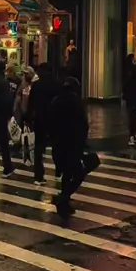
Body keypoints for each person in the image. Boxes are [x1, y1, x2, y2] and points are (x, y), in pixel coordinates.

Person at [50, 77, 89, 218]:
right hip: (72, 144)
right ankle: (64, 198)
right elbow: (83, 124)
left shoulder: (56, 101)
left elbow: (51, 121)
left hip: (59, 143)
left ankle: (64, 200)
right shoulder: (77, 103)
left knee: (66, 173)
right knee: (77, 172)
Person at [26, 62, 59, 185]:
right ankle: (59, 171)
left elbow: (31, 104)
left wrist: (28, 119)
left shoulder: (36, 86)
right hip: (54, 119)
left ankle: (38, 175)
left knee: (38, 148)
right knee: (56, 146)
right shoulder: (56, 85)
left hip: (39, 119)